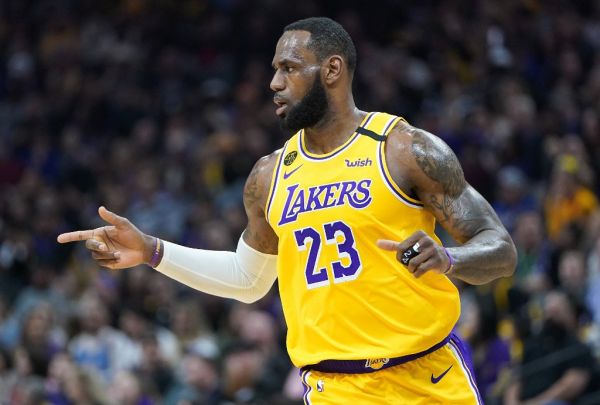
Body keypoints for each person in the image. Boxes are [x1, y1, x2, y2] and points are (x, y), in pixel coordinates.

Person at [57, 17, 516, 404]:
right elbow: (248, 280)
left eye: (289, 68)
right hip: (333, 388)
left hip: (427, 378)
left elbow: (499, 248)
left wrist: (450, 258)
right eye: (275, 70)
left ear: (332, 70)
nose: (274, 83)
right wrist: (153, 251)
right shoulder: (269, 176)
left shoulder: (404, 149)